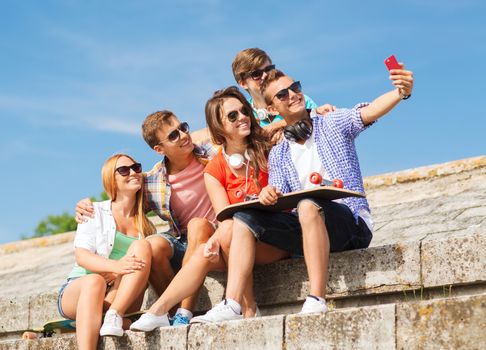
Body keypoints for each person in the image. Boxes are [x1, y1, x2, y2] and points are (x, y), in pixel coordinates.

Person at [254, 65, 414, 313]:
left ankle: (317, 298)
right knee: (243, 220)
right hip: (309, 227)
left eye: (295, 87)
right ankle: (237, 304)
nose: (293, 94)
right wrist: (267, 194)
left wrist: (400, 93)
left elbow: (369, 111)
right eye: (283, 94)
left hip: (351, 222)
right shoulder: (279, 154)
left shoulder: (331, 123)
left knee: (307, 205)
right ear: (272, 109)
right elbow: (278, 196)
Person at [75, 111, 224, 326]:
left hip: (216, 233)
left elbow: (228, 130)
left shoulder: (211, 152)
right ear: (159, 149)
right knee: (150, 244)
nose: (183, 135)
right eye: (173, 135)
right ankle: (170, 313)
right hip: (184, 242)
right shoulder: (154, 181)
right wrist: (84, 206)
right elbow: (123, 195)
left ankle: (185, 313)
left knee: (196, 224)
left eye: (183, 128)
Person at [187, 86, 304, 323]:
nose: (242, 117)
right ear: (219, 127)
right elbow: (223, 215)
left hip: (275, 237)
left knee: (232, 228)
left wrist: (316, 111)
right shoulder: (214, 168)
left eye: (244, 111)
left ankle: (245, 307)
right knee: (211, 244)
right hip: (239, 241)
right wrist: (215, 239)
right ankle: (165, 312)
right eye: (232, 115)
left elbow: (297, 121)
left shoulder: (268, 146)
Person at [59, 154, 154, 350]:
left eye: (136, 167)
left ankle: (108, 319)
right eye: (124, 170)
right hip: (80, 290)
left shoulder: (146, 226)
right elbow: (82, 256)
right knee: (95, 281)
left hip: (119, 296)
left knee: (145, 246)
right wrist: (117, 267)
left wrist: (118, 273)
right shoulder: (93, 211)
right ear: (112, 179)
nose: (134, 172)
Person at [191, 48, 336, 145]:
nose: (265, 75)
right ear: (242, 83)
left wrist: (276, 127)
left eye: (268, 69)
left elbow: (317, 121)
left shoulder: (296, 98)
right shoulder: (242, 113)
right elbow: (202, 135)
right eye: (256, 74)